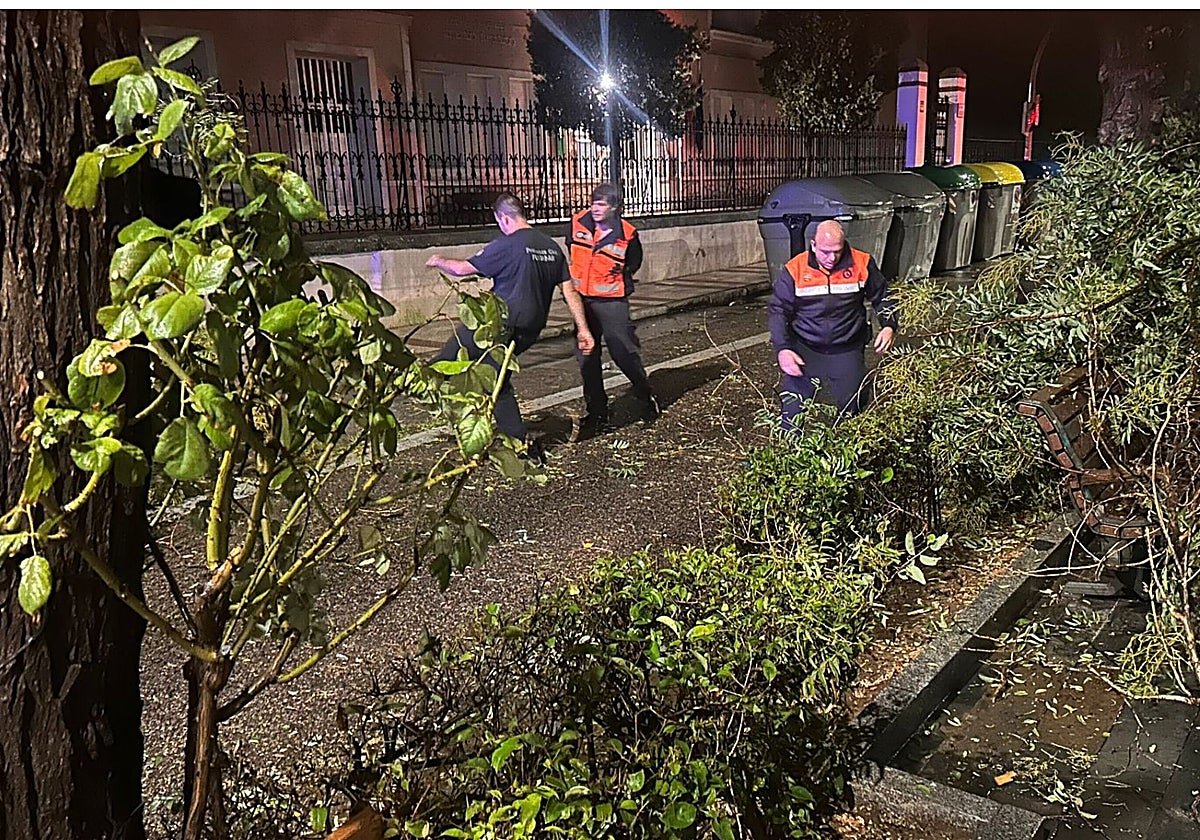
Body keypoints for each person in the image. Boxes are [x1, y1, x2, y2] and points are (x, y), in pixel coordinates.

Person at [426, 192, 594, 450]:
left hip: (499, 324)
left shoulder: (508, 244)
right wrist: (583, 329)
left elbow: (461, 270)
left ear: (503, 218)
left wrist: (438, 260)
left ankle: (516, 444)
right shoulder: (551, 246)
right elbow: (569, 291)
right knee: (486, 370)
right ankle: (481, 418)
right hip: (530, 328)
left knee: (452, 363)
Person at [766, 219, 898, 426]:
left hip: (847, 347)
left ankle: (848, 452)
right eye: (825, 252)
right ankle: (789, 451)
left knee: (851, 409)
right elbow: (778, 310)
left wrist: (889, 325)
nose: (832, 258)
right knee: (792, 412)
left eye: (837, 251)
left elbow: (883, 297)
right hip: (805, 347)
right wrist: (782, 348)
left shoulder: (861, 263)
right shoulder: (795, 269)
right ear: (813, 245)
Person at [566, 183, 659, 438]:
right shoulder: (577, 223)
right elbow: (571, 252)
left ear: (615, 208)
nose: (595, 208)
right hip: (582, 301)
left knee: (624, 352)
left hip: (612, 301)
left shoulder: (627, 234)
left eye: (602, 204)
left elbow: (633, 263)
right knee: (587, 357)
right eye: (594, 202)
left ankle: (644, 394)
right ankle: (597, 411)